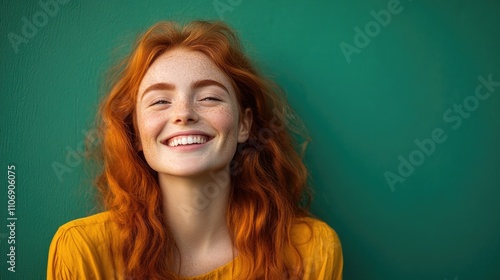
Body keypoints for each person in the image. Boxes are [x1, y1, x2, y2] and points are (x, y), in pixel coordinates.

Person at [47, 20, 343, 280]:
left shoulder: (311, 250)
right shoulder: (82, 252)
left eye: (210, 97)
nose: (183, 114)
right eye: (159, 101)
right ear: (135, 133)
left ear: (245, 125)